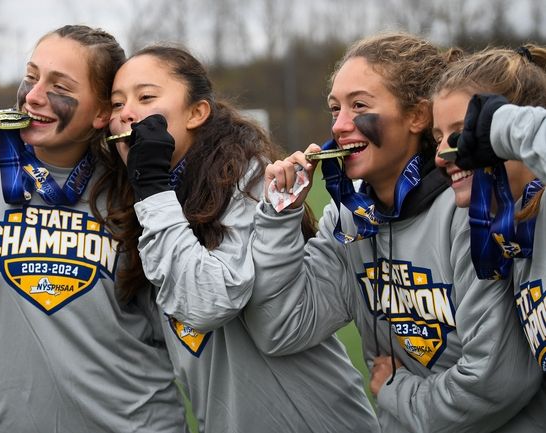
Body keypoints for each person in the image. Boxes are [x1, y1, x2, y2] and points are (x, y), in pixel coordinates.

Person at [246, 32, 543, 432]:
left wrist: (395, 390)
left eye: (359, 106)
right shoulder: (348, 222)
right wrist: (281, 217)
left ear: (418, 116)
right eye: (335, 109)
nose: (340, 125)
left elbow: (496, 382)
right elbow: (281, 329)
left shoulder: (472, 209)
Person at [0, 25, 187, 432]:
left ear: (103, 111)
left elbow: (181, 329)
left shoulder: (135, 181)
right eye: (31, 76)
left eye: (59, 85)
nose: (33, 96)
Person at [104, 44, 379, 432]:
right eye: (117, 104)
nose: (126, 113)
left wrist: (151, 189)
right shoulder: (151, 199)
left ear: (197, 112)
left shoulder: (247, 179)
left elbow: (208, 303)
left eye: (146, 97)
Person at [431, 43, 546, 430]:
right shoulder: (513, 231)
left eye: (463, 133)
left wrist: (505, 127)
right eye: (438, 137)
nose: (444, 154)